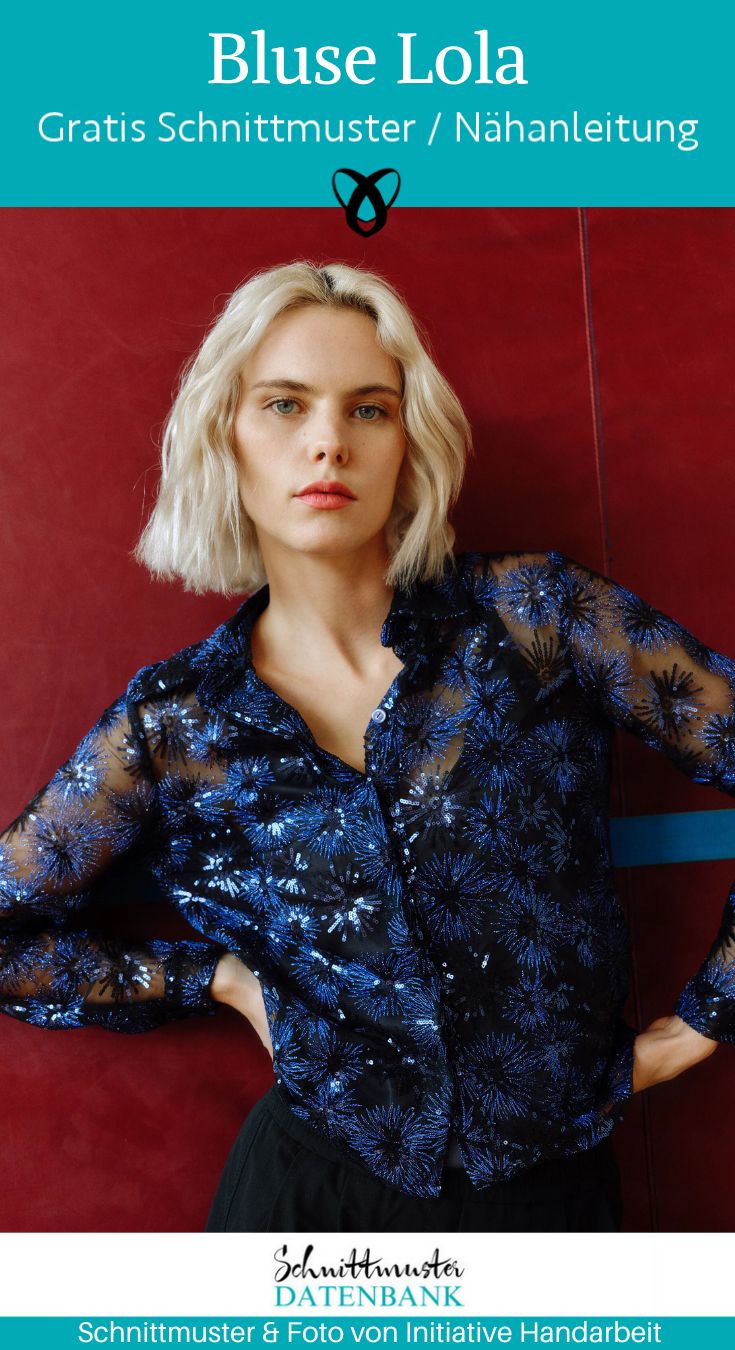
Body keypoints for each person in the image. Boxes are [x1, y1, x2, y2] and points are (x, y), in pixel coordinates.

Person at [0, 260, 731, 1234]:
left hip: (550, 1203)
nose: (328, 443)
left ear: (408, 443)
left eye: (369, 410)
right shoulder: (176, 726)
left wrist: (706, 1018)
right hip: (307, 1204)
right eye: (284, 404)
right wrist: (213, 979)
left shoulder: (536, 619)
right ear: (225, 436)